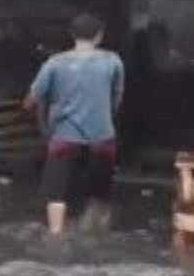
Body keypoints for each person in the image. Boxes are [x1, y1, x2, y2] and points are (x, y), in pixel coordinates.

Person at [24, 13, 125, 236]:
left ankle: (56, 236)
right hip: (102, 138)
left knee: (56, 194)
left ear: (72, 35)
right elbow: (117, 98)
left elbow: (33, 98)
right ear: (99, 36)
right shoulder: (112, 61)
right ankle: (96, 234)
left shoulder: (55, 63)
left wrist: (35, 106)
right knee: (100, 195)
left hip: (64, 137)